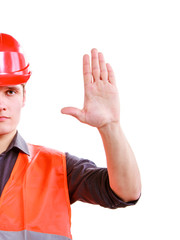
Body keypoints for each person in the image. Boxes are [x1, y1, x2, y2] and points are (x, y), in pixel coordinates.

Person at [0, 33, 141, 240]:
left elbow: (126, 192)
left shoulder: (57, 167)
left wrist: (110, 126)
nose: (1, 104)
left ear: (24, 97)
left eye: (10, 92)